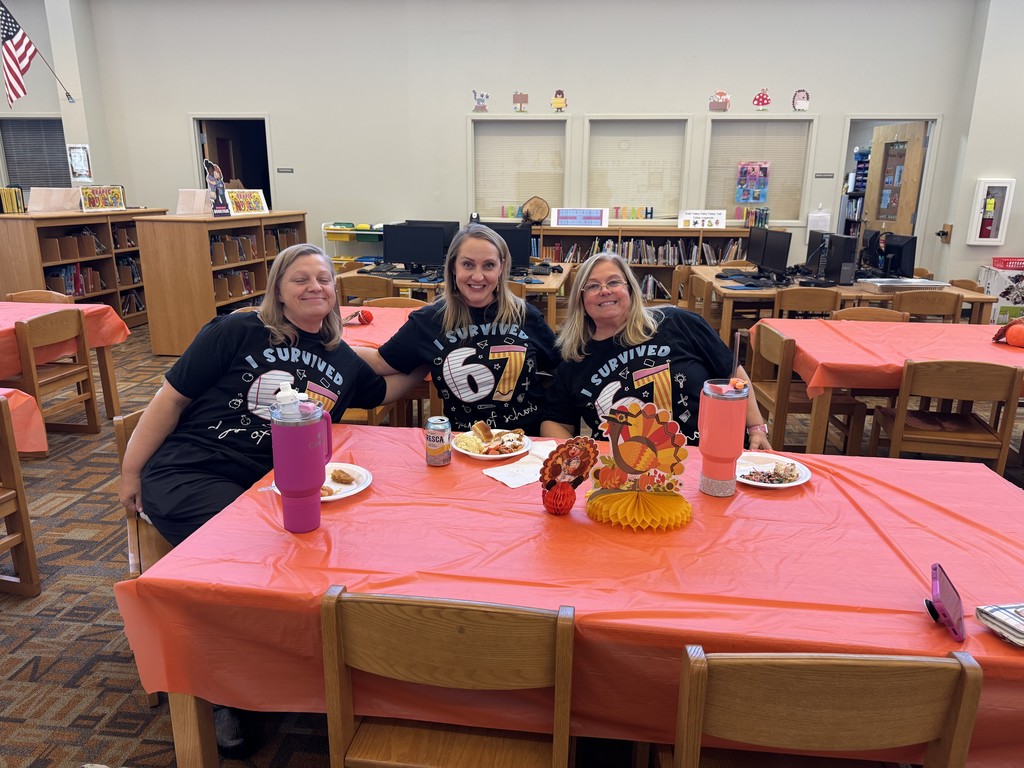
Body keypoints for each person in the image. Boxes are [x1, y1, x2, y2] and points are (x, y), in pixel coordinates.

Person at [117, 243, 425, 756]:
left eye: (323, 279)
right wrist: (130, 470)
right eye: (300, 279)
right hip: (194, 469)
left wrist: (424, 366)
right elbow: (170, 397)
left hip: (268, 483)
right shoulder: (236, 330)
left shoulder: (339, 358)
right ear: (278, 291)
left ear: (335, 290)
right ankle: (222, 690)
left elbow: (381, 391)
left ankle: (303, 664)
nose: (314, 288)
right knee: (250, 554)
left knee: (339, 540)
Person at [539, 251, 771, 450]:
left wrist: (756, 428)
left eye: (613, 282)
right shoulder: (574, 356)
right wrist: (582, 455)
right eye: (592, 286)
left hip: (705, 457)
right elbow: (554, 421)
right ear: (580, 299)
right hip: (624, 472)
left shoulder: (678, 322)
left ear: (630, 289)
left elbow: (733, 375)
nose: (604, 291)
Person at [354, 223, 558, 435]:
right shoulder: (429, 322)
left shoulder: (526, 316)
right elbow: (380, 362)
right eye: (468, 265)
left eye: (488, 265)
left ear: (501, 267)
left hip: (526, 443)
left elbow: (559, 370)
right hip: (464, 444)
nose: (478, 277)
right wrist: (327, 343)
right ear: (453, 267)